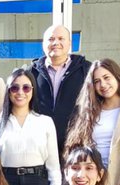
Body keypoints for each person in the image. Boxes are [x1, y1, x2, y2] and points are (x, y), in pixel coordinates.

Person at [29, 25, 90, 162]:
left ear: (69, 43)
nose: (55, 43)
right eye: (51, 39)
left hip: (76, 150)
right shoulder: (30, 73)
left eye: (61, 38)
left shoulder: (86, 70)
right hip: (40, 151)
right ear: (43, 44)